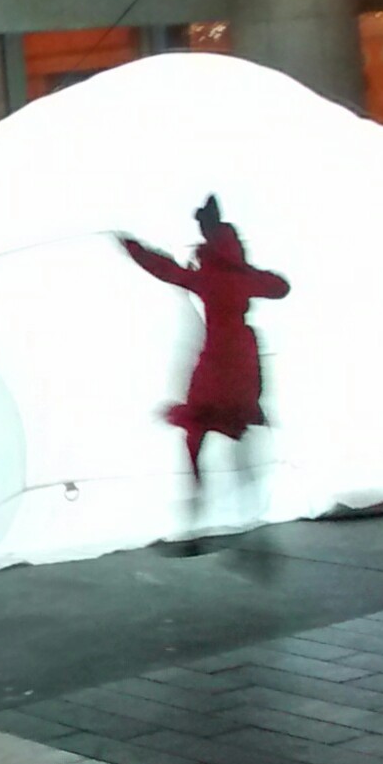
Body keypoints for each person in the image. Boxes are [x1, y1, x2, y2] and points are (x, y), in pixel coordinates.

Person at [119, 197, 290, 554]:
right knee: (230, 429)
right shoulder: (237, 277)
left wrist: (135, 249)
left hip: (220, 357)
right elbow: (280, 287)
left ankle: (193, 519)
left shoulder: (210, 276)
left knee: (198, 432)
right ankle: (248, 516)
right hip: (240, 357)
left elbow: (168, 271)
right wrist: (245, 271)